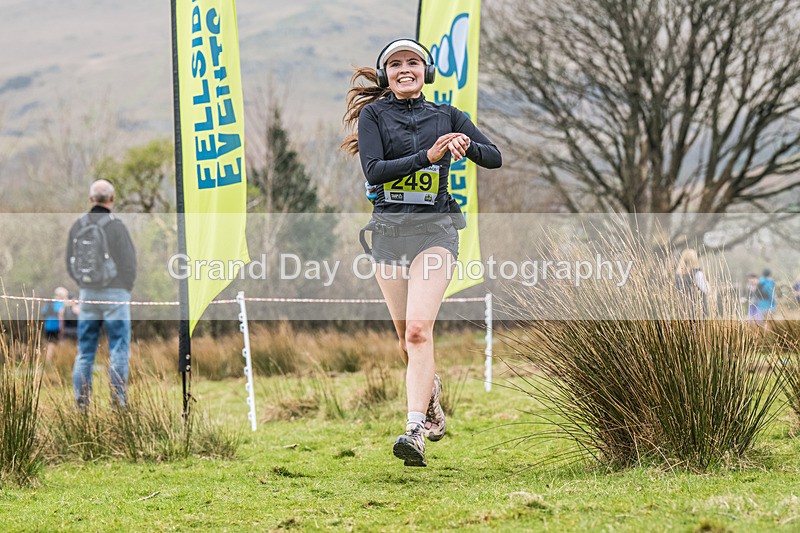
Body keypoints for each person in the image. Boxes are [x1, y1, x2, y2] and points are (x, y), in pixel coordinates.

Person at [342, 39, 501, 466]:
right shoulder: (372, 116)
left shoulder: (448, 115)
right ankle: (430, 395)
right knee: (403, 342)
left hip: (436, 231)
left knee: (417, 332)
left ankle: (414, 430)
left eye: (413, 62)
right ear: (385, 75)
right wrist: (426, 156)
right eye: (395, 64)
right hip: (390, 236)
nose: (405, 69)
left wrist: (467, 147)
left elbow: (496, 157)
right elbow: (374, 170)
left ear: (425, 71)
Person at [66, 179, 137, 409]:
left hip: (88, 294)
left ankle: (81, 407)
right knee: (118, 349)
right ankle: (118, 405)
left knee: (85, 352)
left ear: (91, 199)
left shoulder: (78, 225)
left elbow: (70, 262)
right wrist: (124, 288)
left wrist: (84, 284)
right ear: (111, 198)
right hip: (115, 295)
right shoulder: (117, 226)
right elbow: (129, 263)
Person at [674, 249, 709, 317]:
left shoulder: (677, 274)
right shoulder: (697, 273)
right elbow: (706, 289)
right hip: (697, 310)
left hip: (682, 309)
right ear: (694, 260)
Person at [41, 286, 69, 364]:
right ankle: (54, 362)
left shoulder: (50, 302)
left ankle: (48, 361)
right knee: (55, 344)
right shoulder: (59, 303)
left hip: (48, 325)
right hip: (56, 326)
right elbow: (61, 314)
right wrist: (62, 327)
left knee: (50, 344)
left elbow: (43, 312)